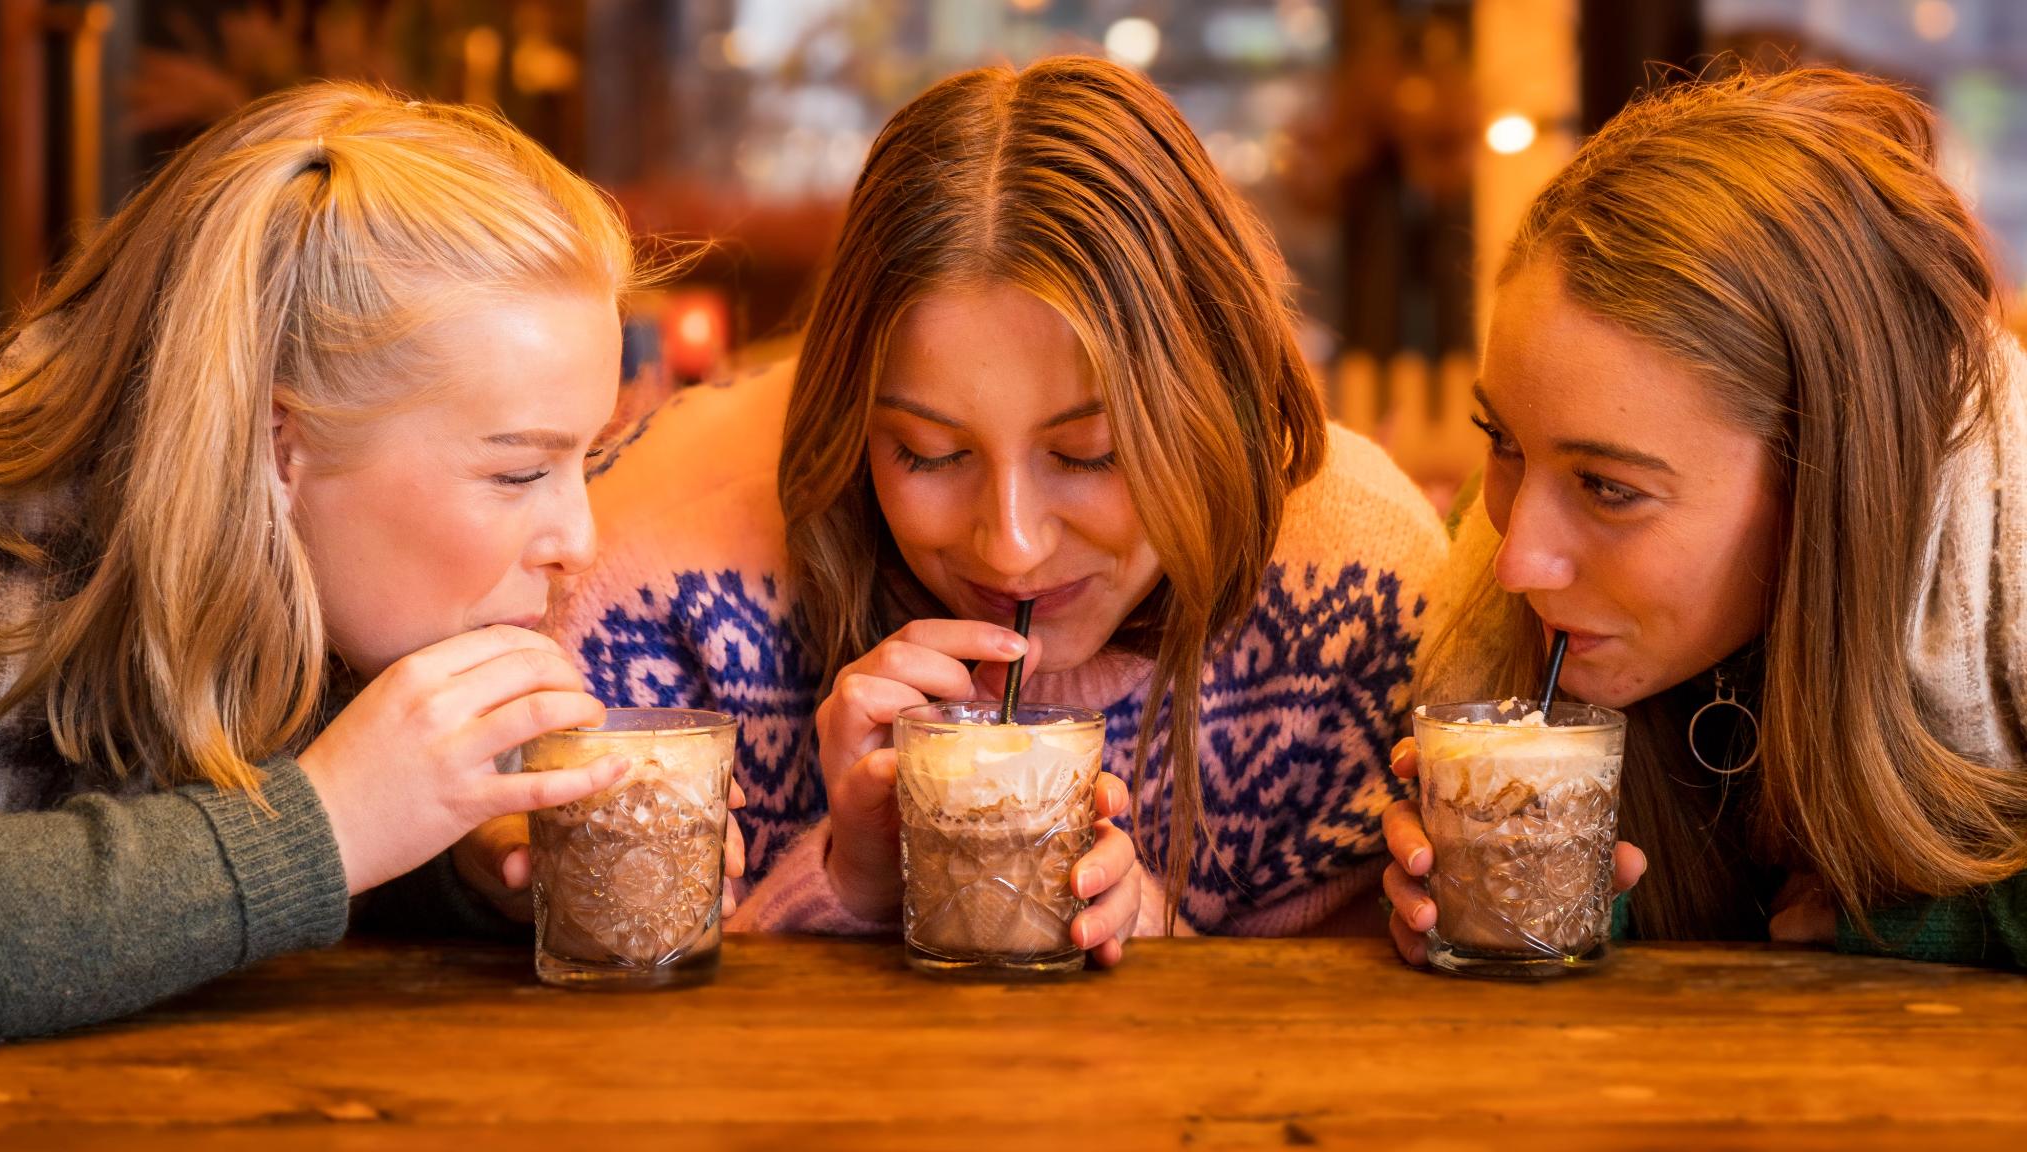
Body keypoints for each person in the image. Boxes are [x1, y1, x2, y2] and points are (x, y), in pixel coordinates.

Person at [552, 56, 1447, 948]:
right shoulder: (652, 591)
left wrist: (1152, 938)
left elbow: (1362, 1032)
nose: (1011, 547)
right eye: (930, 454)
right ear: (849, 412)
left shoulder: (1362, 591)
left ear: (1215, 401)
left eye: (1089, 455)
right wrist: (853, 885)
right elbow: (594, 1030)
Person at [0, 82, 722, 1041]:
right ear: (280, 446)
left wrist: (459, 864)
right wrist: (321, 827)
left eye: (582, 460)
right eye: (517, 472)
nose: (577, 542)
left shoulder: (314, 587)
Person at [1382, 67, 2027, 968]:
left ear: (1826, 482)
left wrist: (1922, 922)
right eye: (1504, 440)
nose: (1515, 559)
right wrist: (1530, 908)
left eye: (1610, 488)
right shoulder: (1477, 583)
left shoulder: (2003, 564)